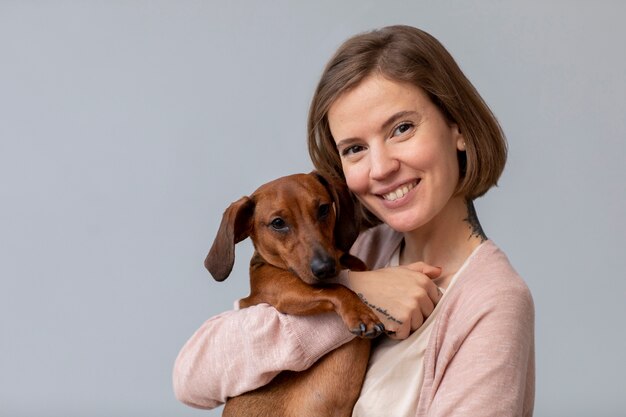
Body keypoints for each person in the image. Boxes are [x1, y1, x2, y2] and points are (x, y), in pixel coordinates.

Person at [173, 25, 535, 416]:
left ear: (458, 128)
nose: (380, 168)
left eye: (402, 128)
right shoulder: (355, 249)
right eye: (355, 148)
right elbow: (192, 378)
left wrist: (350, 296)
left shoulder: (492, 302)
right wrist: (357, 291)